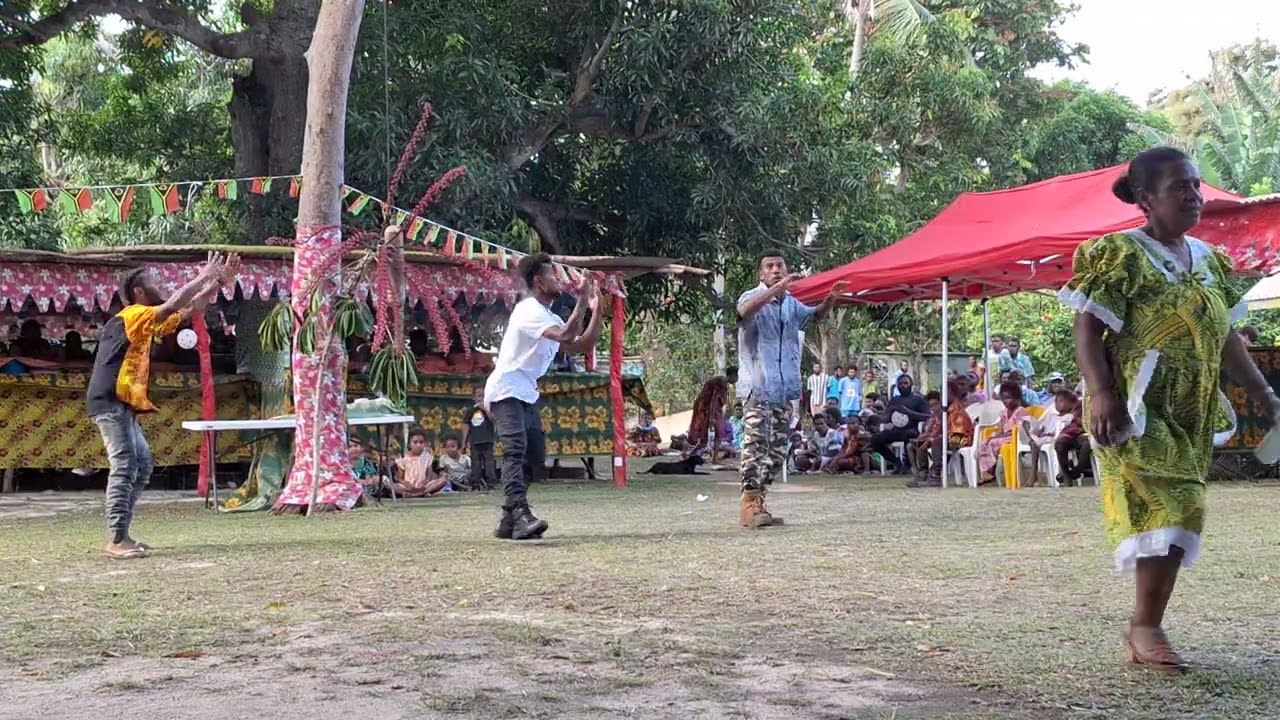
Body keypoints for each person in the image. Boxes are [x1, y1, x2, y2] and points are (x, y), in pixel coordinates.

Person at [1060, 147, 1280, 671]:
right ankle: (1146, 626)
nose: (1194, 196)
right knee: (1178, 506)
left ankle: (1144, 625)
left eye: (1197, 185)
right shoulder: (1120, 254)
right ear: (1145, 198)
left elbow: (1227, 339)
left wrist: (1268, 397)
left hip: (1193, 407)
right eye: (1180, 187)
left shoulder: (1210, 261)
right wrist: (1102, 393)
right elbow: (1087, 327)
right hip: (1135, 405)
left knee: (1177, 510)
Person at [87, 253, 239, 559]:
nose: (161, 288)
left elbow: (188, 310)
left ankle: (122, 534)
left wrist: (216, 282)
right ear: (139, 293)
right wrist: (202, 276)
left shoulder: (144, 321)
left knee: (142, 465)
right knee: (126, 466)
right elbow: (171, 306)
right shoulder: (132, 315)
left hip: (122, 403)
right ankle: (116, 539)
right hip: (109, 401)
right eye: (154, 284)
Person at [485, 254, 605, 540]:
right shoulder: (528, 311)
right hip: (506, 388)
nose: (559, 280)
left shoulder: (549, 316)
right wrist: (581, 299)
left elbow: (581, 344)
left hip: (526, 391)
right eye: (553, 275)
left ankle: (508, 518)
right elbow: (566, 334)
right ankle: (522, 514)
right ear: (538, 281)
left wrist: (597, 309)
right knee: (515, 451)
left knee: (534, 455)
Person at [735, 253, 845, 526]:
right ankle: (749, 504)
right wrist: (777, 288)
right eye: (769, 267)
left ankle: (759, 500)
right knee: (755, 446)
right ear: (761, 275)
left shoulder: (792, 305)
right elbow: (743, 313)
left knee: (779, 450)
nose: (774, 270)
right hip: (758, 387)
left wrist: (831, 298)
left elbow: (815, 317)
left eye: (779, 266)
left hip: (784, 391)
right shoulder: (751, 297)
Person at [868, 374, 931, 474]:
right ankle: (896, 462)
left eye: (905, 383)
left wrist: (909, 412)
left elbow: (927, 416)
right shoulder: (895, 400)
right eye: (900, 384)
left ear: (911, 384)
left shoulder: (918, 399)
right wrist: (887, 415)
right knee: (874, 440)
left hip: (912, 430)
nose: (903, 386)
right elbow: (885, 417)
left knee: (910, 436)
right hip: (896, 430)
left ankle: (908, 465)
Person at [977, 381, 1029, 483]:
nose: (1005, 401)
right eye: (1003, 398)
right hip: (1004, 436)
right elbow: (1000, 427)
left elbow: (1019, 429)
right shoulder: (1004, 412)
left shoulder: (1020, 411)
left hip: (1015, 438)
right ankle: (987, 471)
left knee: (993, 442)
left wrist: (998, 436)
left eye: (1008, 398)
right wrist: (996, 433)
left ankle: (990, 470)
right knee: (984, 442)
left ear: (1017, 399)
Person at [394, 428, 448, 497]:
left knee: (444, 480)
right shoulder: (403, 459)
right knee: (393, 485)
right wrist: (406, 484)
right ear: (409, 444)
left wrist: (425, 482)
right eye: (415, 442)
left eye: (421, 442)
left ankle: (420, 493)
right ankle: (411, 493)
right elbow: (399, 478)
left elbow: (429, 475)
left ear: (425, 443)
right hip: (408, 487)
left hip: (423, 487)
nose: (418, 445)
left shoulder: (427, 457)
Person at [1052, 389, 1090, 485]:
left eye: (1060, 401)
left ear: (1070, 402)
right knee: (1060, 444)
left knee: (1087, 444)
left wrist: (1074, 419)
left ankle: (1077, 471)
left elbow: (1084, 423)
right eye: (1055, 401)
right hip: (1067, 436)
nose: (1056, 404)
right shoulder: (1054, 414)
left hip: (1082, 433)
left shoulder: (1080, 407)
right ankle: (1066, 475)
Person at [461, 388, 497, 490]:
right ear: (474, 398)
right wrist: (464, 442)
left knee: (489, 464)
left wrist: (485, 409)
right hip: (475, 442)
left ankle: (491, 485)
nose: (481, 398)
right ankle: (475, 485)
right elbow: (466, 426)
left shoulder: (490, 409)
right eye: (479, 396)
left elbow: (494, 420)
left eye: (484, 396)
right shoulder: (470, 411)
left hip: (487, 441)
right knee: (475, 465)